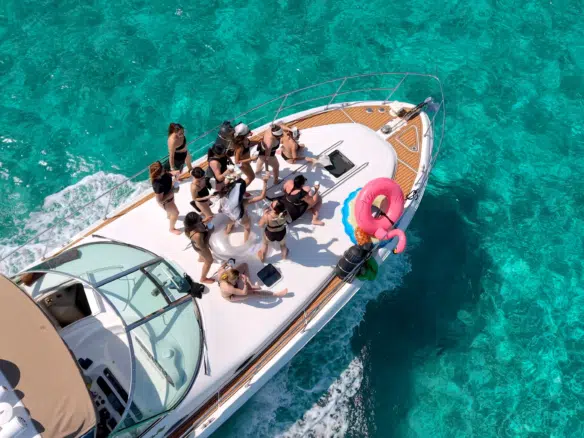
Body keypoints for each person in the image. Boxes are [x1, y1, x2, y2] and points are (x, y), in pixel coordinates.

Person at [219, 172, 271, 242]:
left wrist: (234, 177)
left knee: (231, 221)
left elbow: (230, 185)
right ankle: (245, 241)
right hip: (241, 218)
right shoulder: (244, 202)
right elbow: (262, 197)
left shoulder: (224, 196)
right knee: (247, 227)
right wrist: (265, 182)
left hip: (230, 214)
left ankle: (227, 231)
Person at [217, 262, 287, 302]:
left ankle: (250, 284)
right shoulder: (229, 288)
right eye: (237, 279)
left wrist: (227, 263)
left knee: (244, 265)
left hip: (231, 281)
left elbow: (222, 266)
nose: (238, 279)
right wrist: (245, 283)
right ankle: (276, 294)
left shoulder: (223, 273)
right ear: (231, 280)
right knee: (254, 293)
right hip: (231, 296)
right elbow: (244, 292)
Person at [150, 161, 181, 235]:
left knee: (170, 213)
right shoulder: (158, 185)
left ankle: (169, 216)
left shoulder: (164, 174)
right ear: (158, 173)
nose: (164, 169)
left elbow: (169, 174)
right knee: (176, 213)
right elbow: (160, 201)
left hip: (170, 197)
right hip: (166, 202)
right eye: (162, 169)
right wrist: (172, 191)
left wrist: (176, 173)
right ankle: (171, 229)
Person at [184, 212, 214, 284]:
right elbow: (203, 246)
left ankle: (200, 259)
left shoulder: (189, 227)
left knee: (201, 254)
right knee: (209, 261)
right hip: (200, 247)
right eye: (200, 219)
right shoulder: (197, 235)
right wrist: (209, 233)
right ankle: (203, 278)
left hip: (196, 244)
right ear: (195, 224)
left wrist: (204, 221)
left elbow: (197, 224)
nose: (201, 220)